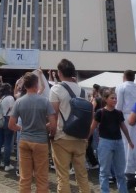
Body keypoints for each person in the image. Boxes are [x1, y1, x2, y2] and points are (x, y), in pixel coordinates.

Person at [9, 72, 56, 193]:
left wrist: (22, 128)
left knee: (25, 177)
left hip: (24, 140)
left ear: (24, 86)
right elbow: (53, 123)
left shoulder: (19, 101)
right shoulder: (45, 101)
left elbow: (11, 125)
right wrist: (45, 128)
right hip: (41, 141)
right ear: (36, 85)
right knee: (41, 178)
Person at [49, 58, 90, 193]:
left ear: (59, 73)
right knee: (82, 176)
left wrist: (52, 134)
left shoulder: (56, 89)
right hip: (80, 138)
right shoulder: (83, 91)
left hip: (62, 137)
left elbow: (53, 115)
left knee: (63, 177)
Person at [89, 89, 133, 193]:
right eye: (112, 98)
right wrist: (86, 139)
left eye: (115, 98)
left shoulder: (118, 113)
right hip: (105, 143)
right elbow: (92, 127)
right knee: (104, 172)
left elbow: (123, 127)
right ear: (105, 99)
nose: (115, 100)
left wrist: (129, 140)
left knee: (121, 173)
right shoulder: (100, 112)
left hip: (118, 142)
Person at [115, 69, 136, 178]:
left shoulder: (121, 87)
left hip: (126, 116)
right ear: (134, 78)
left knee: (126, 142)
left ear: (124, 77)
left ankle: (128, 168)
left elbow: (118, 105)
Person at [0, 82, 15, 171]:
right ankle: (7, 164)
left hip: (0, 120)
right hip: (8, 120)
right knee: (7, 142)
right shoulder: (10, 98)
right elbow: (13, 110)